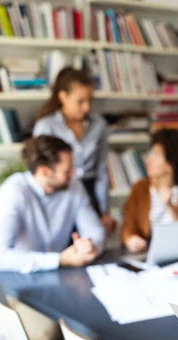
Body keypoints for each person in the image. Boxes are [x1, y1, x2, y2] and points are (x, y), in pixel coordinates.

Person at [0, 135, 105, 340]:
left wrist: (89, 244)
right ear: (44, 171)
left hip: (64, 281)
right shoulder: (13, 193)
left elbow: (95, 231)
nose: (74, 173)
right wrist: (59, 259)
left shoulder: (73, 187)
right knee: (46, 334)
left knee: (103, 318)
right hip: (23, 282)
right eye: (67, 170)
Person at [33, 67, 116, 233]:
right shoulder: (46, 126)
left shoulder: (98, 125)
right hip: (59, 192)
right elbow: (40, 173)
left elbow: (101, 170)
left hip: (90, 191)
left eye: (89, 100)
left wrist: (104, 210)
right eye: (80, 101)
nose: (86, 107)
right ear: (63, 97)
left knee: (94, 239)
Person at [121, 129, 178, 253]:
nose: (148, 160)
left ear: (171, 165)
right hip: (145, 252)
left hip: (176, 252)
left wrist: (170, 206)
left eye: (156, 155)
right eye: (151, 154)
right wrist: (130, 239)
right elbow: (129, 225)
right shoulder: (140, 187)